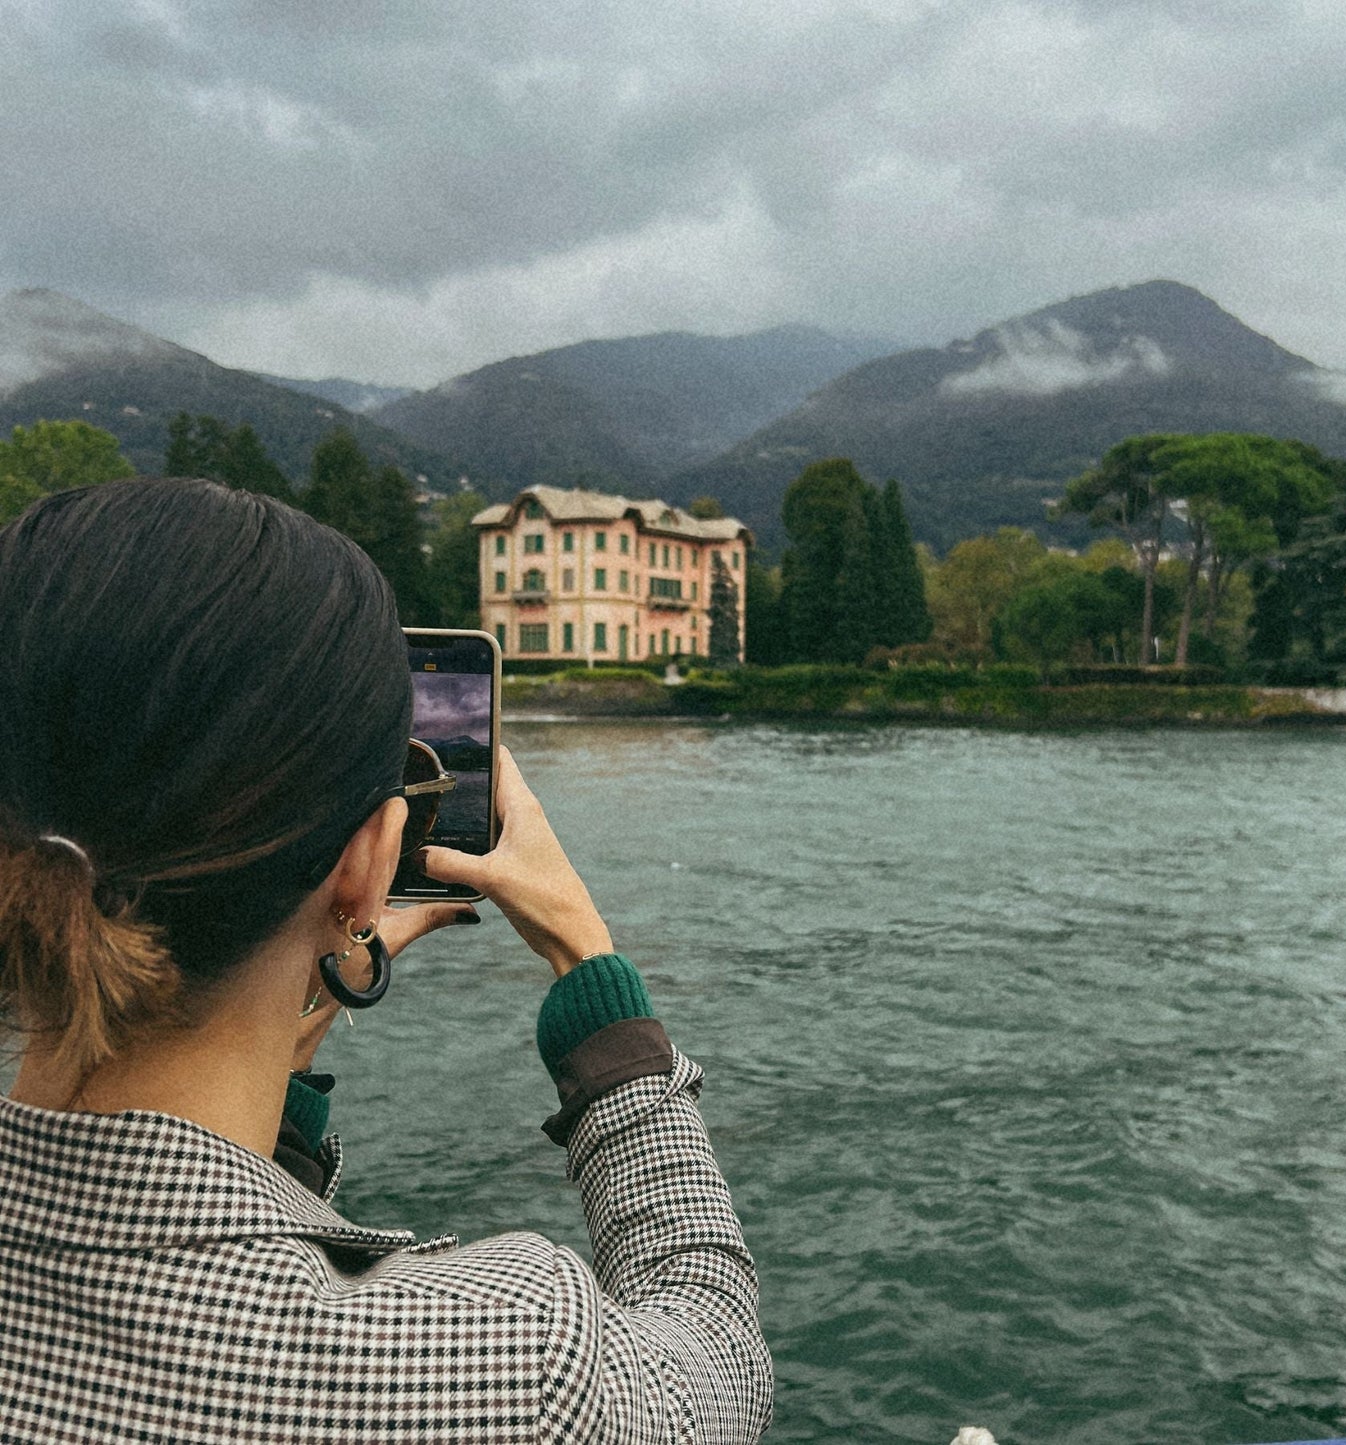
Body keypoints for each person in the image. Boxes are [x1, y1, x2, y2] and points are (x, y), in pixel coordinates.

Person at [0, 478, 772, 1443]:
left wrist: (278, 1092)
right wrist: (586, 956)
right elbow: (716, 1352)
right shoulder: (504, 1370)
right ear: (367, 866)